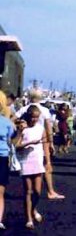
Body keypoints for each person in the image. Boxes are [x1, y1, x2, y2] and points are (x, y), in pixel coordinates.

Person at [15, 90, 64, 199]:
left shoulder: (24, 109)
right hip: (41, 139)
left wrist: (21, 126)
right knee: (46, 165)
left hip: (26, 138)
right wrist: (51, 143)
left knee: (29, 170)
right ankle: (50, 191)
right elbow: (48, 127)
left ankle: (30, 193)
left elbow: (14, 119)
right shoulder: (45, 110)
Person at [14, 105, 46, 229]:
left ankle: (33, 209)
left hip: (37, 160)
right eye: (33, 117)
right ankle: (28, 218)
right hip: (26, 161)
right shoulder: (23, 128)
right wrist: (28, 142)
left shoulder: (40, 128)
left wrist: (47, 161)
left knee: (37, 192)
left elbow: (45, 146)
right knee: (28, 191)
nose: (34, 120)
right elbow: (16, 145)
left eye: (37, 117)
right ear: (28, 116)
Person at [0, 91, 15, 230]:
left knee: (0, 192)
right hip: (2, 157)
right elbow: (12, 140)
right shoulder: (7, 122)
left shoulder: (6, 122)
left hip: (2, 157)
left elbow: (13, 140)